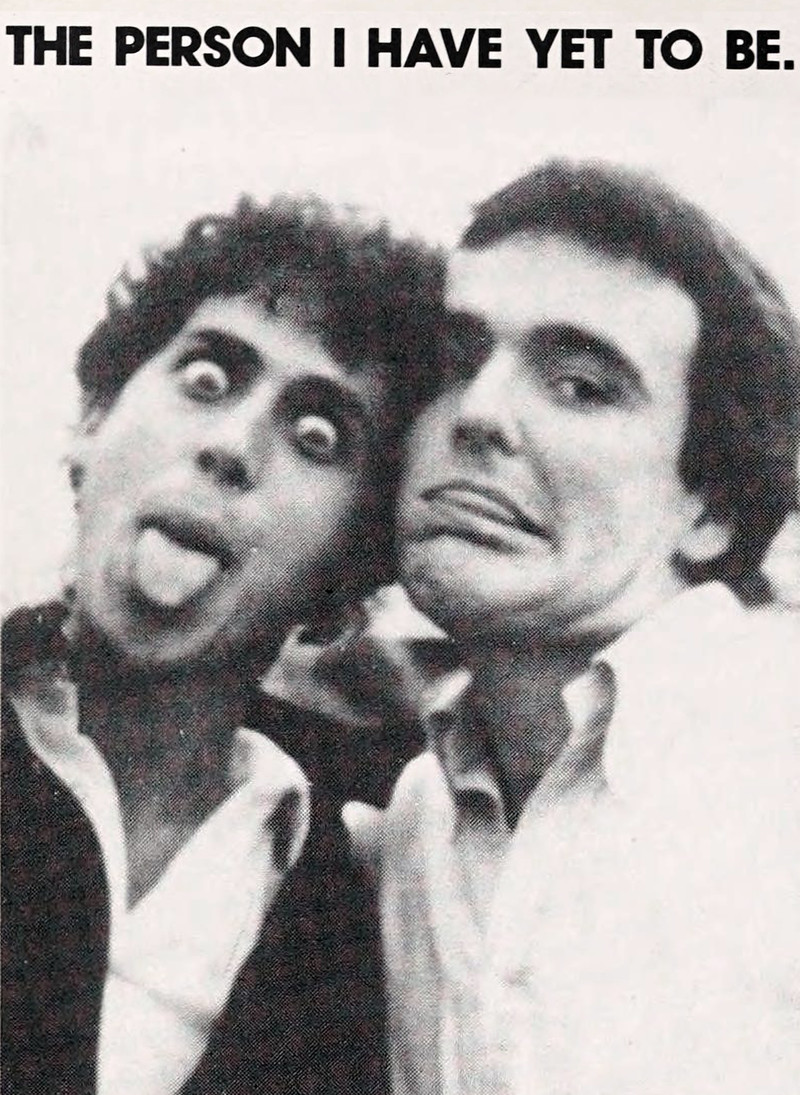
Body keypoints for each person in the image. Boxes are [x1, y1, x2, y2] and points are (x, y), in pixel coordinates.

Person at [349, 160, 800, 1095]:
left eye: (582, 386)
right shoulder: (419, 817)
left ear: (711, 507)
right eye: (457, 362)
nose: (478, 414)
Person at [1, 194, 444, 1095]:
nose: (232, 445)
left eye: (317, 436)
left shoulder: (368, 883)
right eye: (206, 378)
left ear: (346, 586)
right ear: (93, 424)